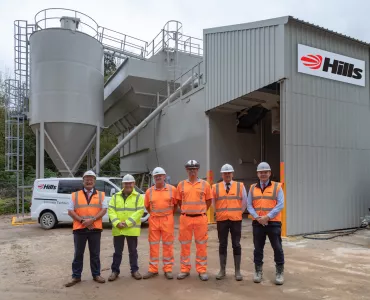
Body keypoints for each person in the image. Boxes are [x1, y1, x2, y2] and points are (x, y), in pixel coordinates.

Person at [65, 170, 107, 287]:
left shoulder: (101, 195)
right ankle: (76, 276)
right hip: (80, 228)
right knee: (78, 254)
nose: (89, 181)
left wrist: (92, 220)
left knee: (95, 254)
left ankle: (96, 274)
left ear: (94, 181)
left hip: (95, 228)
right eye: (87, 179)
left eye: (91, 179)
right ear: (83, 181)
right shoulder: (75, 195)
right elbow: (70, 211)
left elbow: (104, 210)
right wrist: (83, 221)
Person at [247, 162, 285, 285]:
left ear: (270, 173)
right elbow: (249, 205)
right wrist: (258, 217)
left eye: (265, 172)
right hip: (258, 223)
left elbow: (280, 204)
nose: (263, 174)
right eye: (261, 172)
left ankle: (279, 272)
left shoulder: (277, 187)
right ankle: (258, 271)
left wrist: (267, 217)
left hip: (273, 223)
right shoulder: (252, 188)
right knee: (258, 248)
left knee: (277, 248)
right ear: (257, 174)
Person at [176, 160, 213, 281]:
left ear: (198, 170)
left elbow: (208, 201)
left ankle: (202, 270)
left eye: (194, 169)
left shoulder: (205, 184)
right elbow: (179, 201)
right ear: (186, 170)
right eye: (190, 169)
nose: (192, 171)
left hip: (200, 219)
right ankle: (184, 269)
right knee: (185, 245)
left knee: (201, 246)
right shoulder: (181, 185)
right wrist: (188, 210)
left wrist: (200, 210)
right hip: (185, 219)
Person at [212, 163, 248, 281]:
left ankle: (237, 271)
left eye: (229, 173)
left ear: (232, 174)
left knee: (236, 244)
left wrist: (237, 213)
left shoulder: (240, 186)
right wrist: (219, 213)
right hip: (222, 220)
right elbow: (213, 203)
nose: (227, 175)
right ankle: (222, 270)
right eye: (225, 173)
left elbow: (244, 202)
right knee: (222, 244)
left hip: (235, 220)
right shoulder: (215, 187)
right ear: (222, 174)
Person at [107, 174, 145, 281]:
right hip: (118, 229)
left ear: (134, 184)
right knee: (117, 252)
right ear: (123, 184)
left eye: (130, 183)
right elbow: (111, 210)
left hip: (131, 229)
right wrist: (117, 222)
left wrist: (127, 223)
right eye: (126, 183)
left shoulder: (138, 197)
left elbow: (139, 211)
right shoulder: (115, 196)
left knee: (133, 251)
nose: (128, 185)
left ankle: (134, 270)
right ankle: (115, 271)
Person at [142, 167, 177, 280]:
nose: (158, 177)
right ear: (153, 178)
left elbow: (176, 205)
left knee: (168, 245)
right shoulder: (149, 191)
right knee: (153, 245)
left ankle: (168, 269)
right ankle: (153, 269)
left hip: (167, 220)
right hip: (154, 220)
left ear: (164, 176)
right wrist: (155, 215)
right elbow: (147, 206)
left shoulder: (172, 189)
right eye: (156, 176)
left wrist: (168, 214)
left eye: (160, 176)